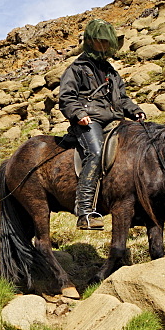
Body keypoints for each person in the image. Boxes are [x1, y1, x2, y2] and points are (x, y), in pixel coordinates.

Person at [58, 18, 146, 231]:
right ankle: (85, 212)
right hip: (88, 121)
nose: (105, 46)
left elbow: (122, 98)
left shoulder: (111, 71)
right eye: (101, 42)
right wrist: (78, 113)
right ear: (91, 42)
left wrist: (135, 110)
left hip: (114, 119)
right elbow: (66, 97)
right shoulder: (76, 68)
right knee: (95, 153)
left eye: (107, 42)